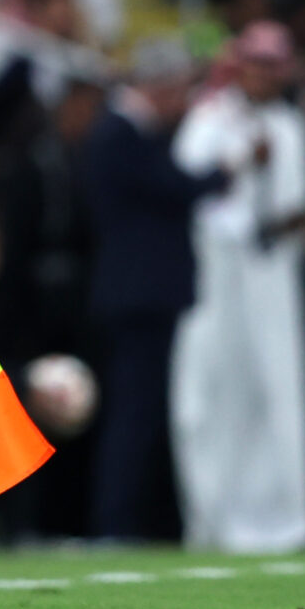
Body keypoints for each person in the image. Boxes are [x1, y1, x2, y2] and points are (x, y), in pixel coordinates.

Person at [169, 22, 305, 553]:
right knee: (210, 395)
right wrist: (240, 166)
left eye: (273, 64)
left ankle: (282, 520)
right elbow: (188, 191)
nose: (263, 74)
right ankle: (214, 518)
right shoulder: (209, 119)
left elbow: (298, 207)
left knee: (277, 392)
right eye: (255, 62)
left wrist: (278, 223)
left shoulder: (291, 126)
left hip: (272, 282)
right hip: (214, 281)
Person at [81, 40, 224, 541]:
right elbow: (171, 187)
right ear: (159, 87)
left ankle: (129, 520)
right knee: (134, 412)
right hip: (138, 295)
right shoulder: (120, 134)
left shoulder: (128, 133)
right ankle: (115, 522)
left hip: (140, 295)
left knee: (141, 411)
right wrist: (225, 172)